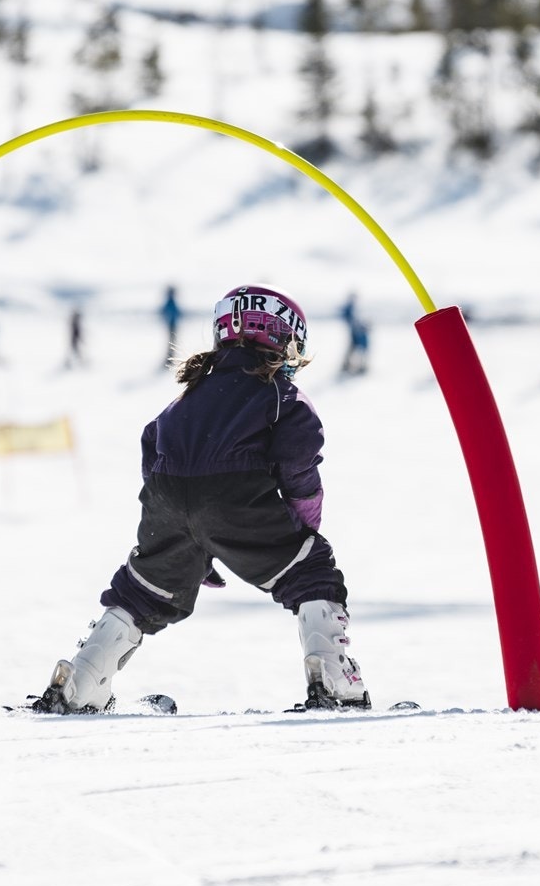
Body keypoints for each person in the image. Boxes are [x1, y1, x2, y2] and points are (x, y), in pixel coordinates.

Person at [26, 284, 368, 714]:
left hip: (167, 502)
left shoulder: (184, 399)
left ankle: (80, 681)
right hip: (236, 498)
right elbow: (298, 466)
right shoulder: (282, 398)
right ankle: (333, 678)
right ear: (284, 340)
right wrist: (301, 526)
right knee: (310, 570)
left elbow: (153, 449)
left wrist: (190, 542)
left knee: (142, 590)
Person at [339, 292, 370, 376]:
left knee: (357, 350)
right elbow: (350, 319)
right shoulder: (350, 308)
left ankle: (359, 366)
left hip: (357, 333)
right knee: (353, 349)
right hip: (355, 333)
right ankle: (349, 365)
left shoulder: (355, 307)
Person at [159, 285, 182, 364]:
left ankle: (170, 358)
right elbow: (167, 312)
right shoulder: (170, 301)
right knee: (171, 342)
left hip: (172, 324)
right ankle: (169, 358)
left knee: (172, 341)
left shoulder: (171, 301)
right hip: (171, 324)